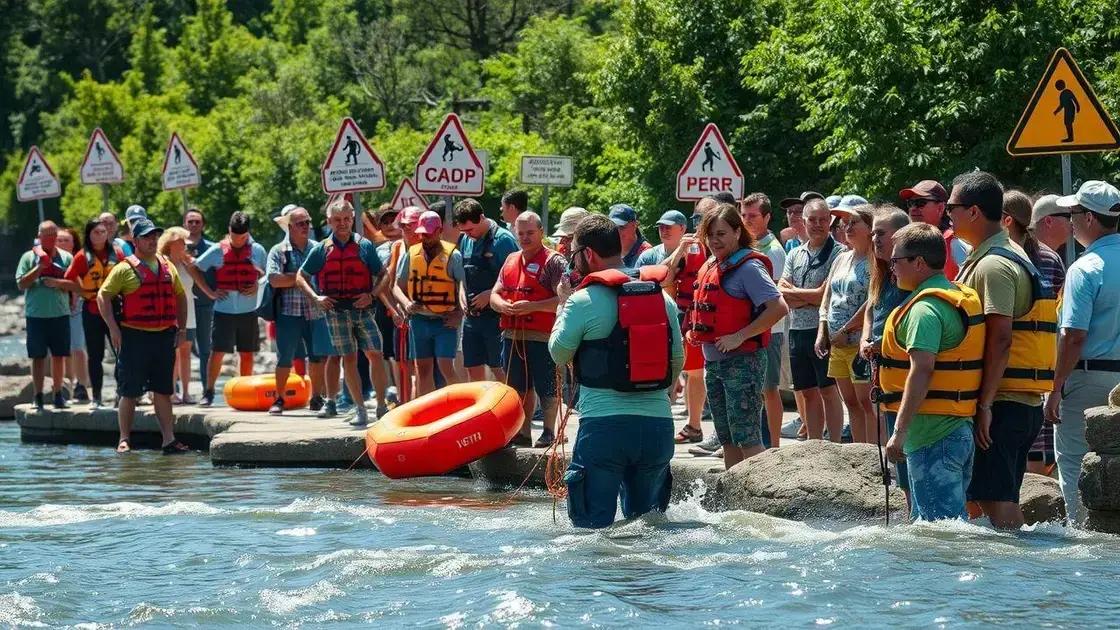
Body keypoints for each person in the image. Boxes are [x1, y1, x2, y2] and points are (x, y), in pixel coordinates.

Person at [550, 214, 684, 528]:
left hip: (604, 430)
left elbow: (558, 352)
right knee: (649, 529)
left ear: (587, 254)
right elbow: (677, 359)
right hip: (657, 429)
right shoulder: (661, 298)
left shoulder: (581, 300)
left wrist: (561, 302)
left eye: (574, 255)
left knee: (592, 532)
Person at [949, 170, 1056, 530]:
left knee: (998, 503)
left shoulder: (994, 264)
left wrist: (984, 405)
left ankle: (1019, 578)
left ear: (974, 212)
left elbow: (1000, 338)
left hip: (1003, 405)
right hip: (1009, 403)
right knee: (989, 498)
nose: (949, 214)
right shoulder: (991, 255)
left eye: (953, 207)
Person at [882, 223, 985, 521]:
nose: (892, 269)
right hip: (957, 430)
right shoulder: (955, 294)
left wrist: (898, 433)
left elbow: (923, 369)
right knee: (942, 528)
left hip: (931, 437)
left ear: (918, 262)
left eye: (896, 261)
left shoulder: (924, 310)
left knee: (937, 537)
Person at [688, 204, 788, 468]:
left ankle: (762, 496)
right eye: (710, 235)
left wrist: (740, 336)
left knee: (748, 437)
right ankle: (735, 501)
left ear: (736, 232)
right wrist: (694, 331)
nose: (714, 240)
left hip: (743, 363)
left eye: (721, 233)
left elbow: (778, 308)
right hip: (715, 363)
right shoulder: (713, 264)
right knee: (728, 439)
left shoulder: (749, 267)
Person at [1046, 180, 1120, 524]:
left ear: (1090, 218)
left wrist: (1056, 387)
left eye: (1073, 213)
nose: (1069, 220)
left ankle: (1081, 533)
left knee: (1074, 461)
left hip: (1089, 377)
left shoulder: (1085, 268)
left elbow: (1073, 335)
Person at [96, 218, 190, 455]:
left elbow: (180, 296)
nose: (152, 240)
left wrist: (182, 329)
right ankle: (124, 439)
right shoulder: (123, 268)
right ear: (135, 240)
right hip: (134, 337)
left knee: (163, 391)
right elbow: (103, 296)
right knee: (129, 391)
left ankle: (168, 439)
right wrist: (113, 328)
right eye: (147, 237)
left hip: (163, 337)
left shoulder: (167, 265)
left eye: (155, 236)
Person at [298, 198, 389, 426]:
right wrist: (316, 298)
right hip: (336, 311)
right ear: (329, 221)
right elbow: (301, 276)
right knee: (348, 358)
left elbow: (384, 274)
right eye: (337, 220)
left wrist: (373, 294)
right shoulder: (321, 249)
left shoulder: (364, 246)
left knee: (375, 354)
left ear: (352, 219)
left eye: (347, 219)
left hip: (363, 310)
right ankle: (360, 408)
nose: (342, 224)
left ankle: (381, 406)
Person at [1004, 190, 1066, 475]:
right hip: (1042, 371)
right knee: (1037, 451)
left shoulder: (997, 258)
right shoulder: (1050, 257)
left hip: (1005, 375)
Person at [491, 211, 566, 447]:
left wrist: (532, 306)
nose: (525, 238)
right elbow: (495, 294)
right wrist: (502, 304)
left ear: (541, 232)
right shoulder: (511, 259)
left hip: (542, 336)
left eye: (530, 233)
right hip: (512, 335)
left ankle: (548, 431)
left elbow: (563, 298)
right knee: (518, 387)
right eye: (521, 233)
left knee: (547, 385)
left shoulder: (554, 261)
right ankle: (522, 433)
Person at [637, 210, 708, 445]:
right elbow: (661, 276)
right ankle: (659, 423)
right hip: (659, 320)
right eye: (661, 226)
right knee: (663, 373)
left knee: (694, 373)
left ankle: (694, 426)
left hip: (689, 317)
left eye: (669, 226)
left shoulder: (701, 249)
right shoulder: (652, 254)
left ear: (682, 228)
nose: (664, 230)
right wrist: (679, 252)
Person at [778, 199, 845, 441]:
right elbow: (781, 292)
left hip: (822, 330)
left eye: (823, 219)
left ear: (830, 222)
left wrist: (801, 294)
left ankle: (835, 442)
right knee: (806, 392)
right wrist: (811, 296)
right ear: (803, 222)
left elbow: (825, 295)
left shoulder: (838, 253)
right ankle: (814, 444)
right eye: (812, 220)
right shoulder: (794, 253)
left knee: (828, 390)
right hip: (797, 329)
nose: (817, 224)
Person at [860, 205, 913, 503]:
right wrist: (866, 339)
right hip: (883, 373)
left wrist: (883, 344)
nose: (874, 239)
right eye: (872, 233)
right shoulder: (880, 272)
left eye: (880, 233)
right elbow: (871, 307)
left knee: (905, 450)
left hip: (906, 377)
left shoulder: (911, 278)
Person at [190, 211, 268, 407]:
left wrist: (258, 285)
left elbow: (268, 274)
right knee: (217, 352)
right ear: (229, 231)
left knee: (247, 353)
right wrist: (209, 292)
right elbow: (195, 268)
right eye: (234, 236)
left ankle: (245, 390)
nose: (237, 240)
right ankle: (208, 392)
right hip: (223, 311)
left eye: (241, 237)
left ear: (248, 233)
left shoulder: (258, 250)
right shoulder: (218, 250)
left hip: (248, 311)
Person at [816, 201, 876, 443]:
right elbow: (828, 296)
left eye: (854, 222)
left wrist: (846, 329)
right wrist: (823, 330)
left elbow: (873, 300)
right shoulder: (842, 258)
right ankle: (858, 455)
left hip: (858, 344)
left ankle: (873, 458)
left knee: (866, 403)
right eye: (844, 223)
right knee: (849, 403)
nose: (847, 227)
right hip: (836, 344)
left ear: (870, 227)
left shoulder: (875, 261)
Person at [267, 205, 331, 415]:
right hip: (289, 313)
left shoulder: (318, 248)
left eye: (307, 222)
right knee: (285, 357)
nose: (305, 226)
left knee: (317, 357)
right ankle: (279, 398)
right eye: (300, 223)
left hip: (316, 313)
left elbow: (324, 278)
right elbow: (274, 280)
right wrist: (302, 279)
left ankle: (316, 398)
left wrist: (293, 279)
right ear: (290, 227)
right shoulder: (278, 250)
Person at [393, 210, 464, 396]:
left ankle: (458, 407)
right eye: (422, 233)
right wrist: (406, 304)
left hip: (444, 321)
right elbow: (397, 287)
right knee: (422, 369)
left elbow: (463, 287)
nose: (425, 237)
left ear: (439, 231)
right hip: (419, 320)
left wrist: (459, 314)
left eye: (429, 233)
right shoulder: (411, 253)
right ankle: (427, 415)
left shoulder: (453, 255)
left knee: (445, 366)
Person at [64, 218, 126, 409]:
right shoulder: (82, 257)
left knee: (121, 352)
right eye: (95, 232)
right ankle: (97, 397)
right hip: (91, 310)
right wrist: (82, 293)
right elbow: (69, 278)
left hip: (115, 307)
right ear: (88, 235)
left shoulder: (117, 253)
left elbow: (128, 274)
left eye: (103, 232)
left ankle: (121, 392)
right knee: (95, 355)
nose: (100, 235)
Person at [742, 193, 788, 448]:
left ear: (767, 217)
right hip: (750, 329)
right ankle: (757, 442)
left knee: (769, 389)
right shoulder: (748, 246)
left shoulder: (774, 251)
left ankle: (775, 446)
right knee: (754, 389)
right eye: (744, 215)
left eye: (753, 216)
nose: (747, 220)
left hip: (771, 329)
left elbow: (775, 295)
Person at [454, 198, 519, 382]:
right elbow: (463, 275)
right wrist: (461, 294)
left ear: (481, 217)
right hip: (471, 318)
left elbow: (515, 279)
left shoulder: (503, 240)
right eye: (463, 231)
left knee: (499, 368)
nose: (468, 234)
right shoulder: (465, 239)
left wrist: (490, 295)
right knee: (472, 368)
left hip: (496, 318)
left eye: (470, 229)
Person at [16, 221, 74, 410]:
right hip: (36, 316)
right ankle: (38, 396)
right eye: (46, 235)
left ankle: (58, 395)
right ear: (39, 236)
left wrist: (57, 282)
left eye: (53, 235)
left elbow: (76, 285)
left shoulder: (66, 257)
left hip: (60, 314)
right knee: (38, 357)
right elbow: (21, 284)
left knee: (59, 356)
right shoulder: (28, 257)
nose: (49, 239)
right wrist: (40, 268)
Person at [156, 227, 198, 403]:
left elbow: (200, 282)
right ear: (172, 243)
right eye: (182, 242)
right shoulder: (162, 263)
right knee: (171, 354)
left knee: (186, 353)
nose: (185, 246)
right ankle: (171, 392)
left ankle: (187, 392)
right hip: (169, 314)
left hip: (189, 312)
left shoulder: (187, 263)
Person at [899, 179, 970, 280]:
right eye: (910, 203)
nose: (913, 208)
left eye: (920, 203)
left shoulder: (954, 244)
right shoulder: (906, 244)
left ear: (940, 208)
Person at [54, 227, 91, 404]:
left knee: (77, 347)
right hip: (58, 309)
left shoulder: (80, 259)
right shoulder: (52, 259)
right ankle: (66, 384)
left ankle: (82, 385)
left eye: (65, 240)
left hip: (78, 308)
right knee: (62, 349)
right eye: (59, 240)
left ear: (73, 242)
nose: (61, 243)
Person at [183, 207, 217, 394]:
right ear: (184, 224)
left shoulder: (212, 248)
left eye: (197, 221)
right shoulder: (176, 248)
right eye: (190, 221)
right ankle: (177, 390)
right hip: (183, 305)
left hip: (205, 304)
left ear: (203, 224)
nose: (194, 224)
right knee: (180, 349)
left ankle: (207, 390)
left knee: (205, 348)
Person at [1031, 194, 1082, 266]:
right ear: (1048, 221)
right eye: (1068, 216)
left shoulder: (1024, 252)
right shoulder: (1048, 260)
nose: (1072, 222)